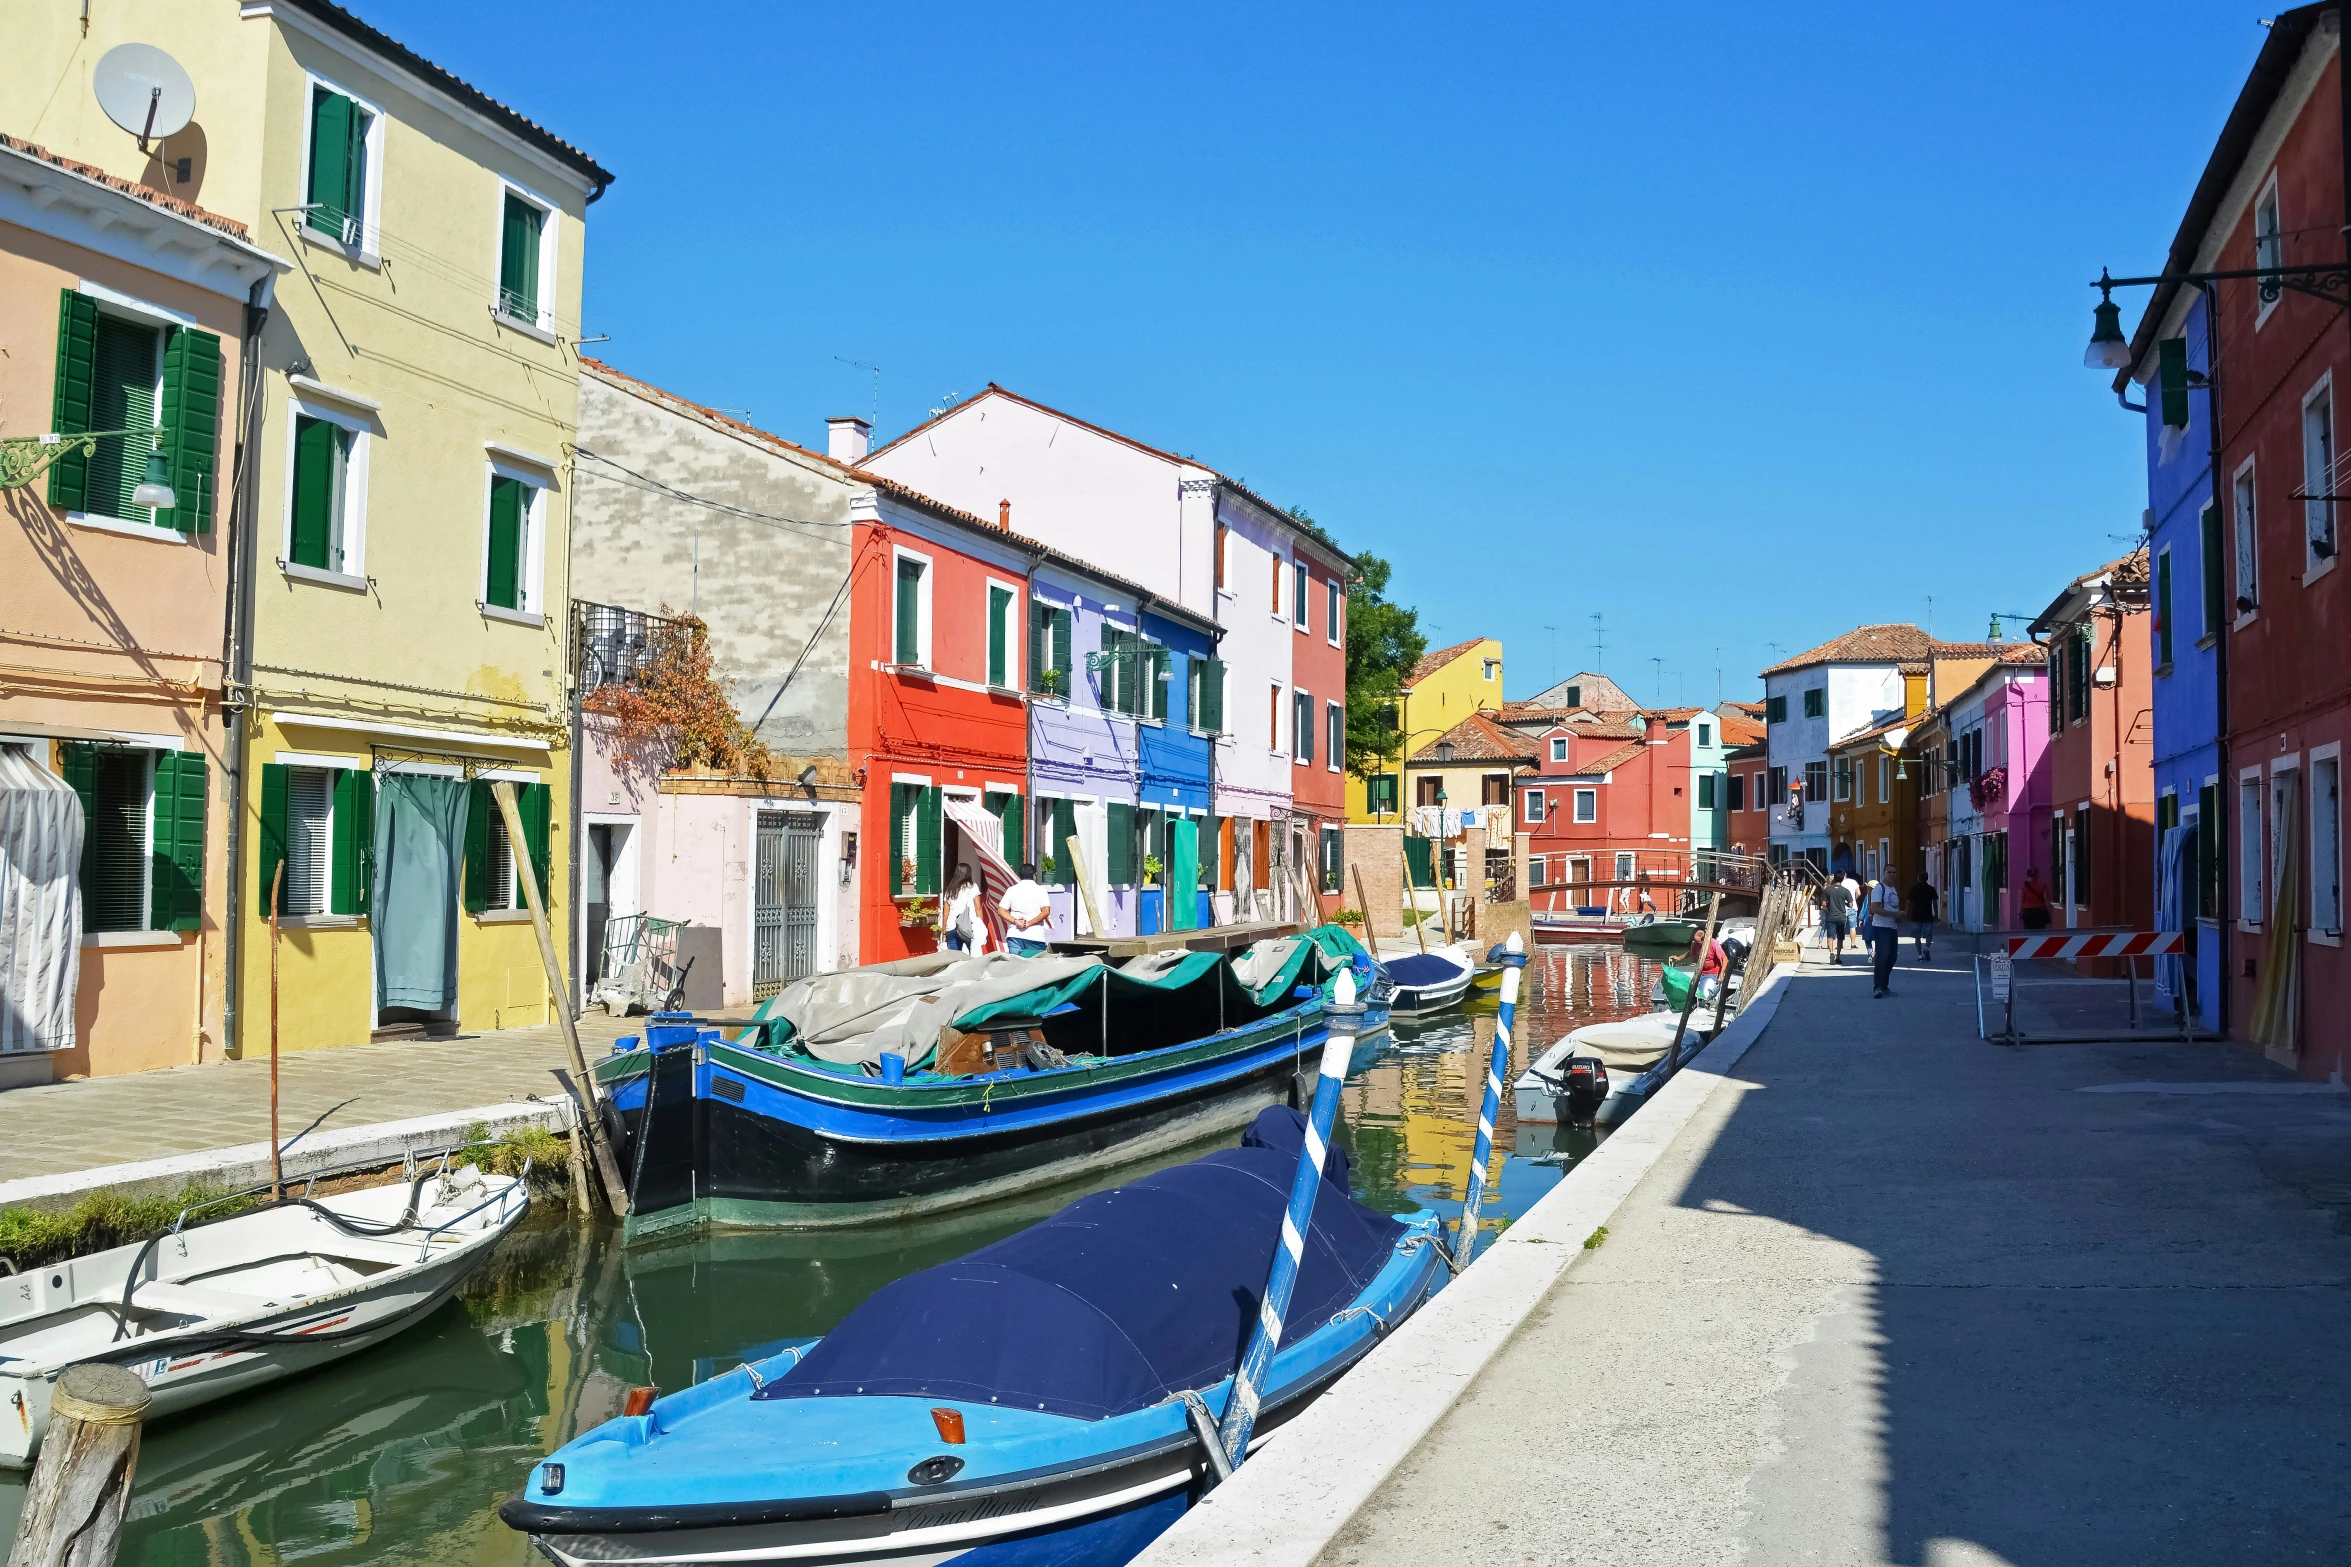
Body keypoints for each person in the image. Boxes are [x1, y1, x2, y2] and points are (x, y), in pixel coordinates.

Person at [998, 862, 1053, 957]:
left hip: (1015, 934)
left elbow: (1001, 910)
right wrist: (1029, 923)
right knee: (1035, 966)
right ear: (1034, 876)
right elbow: (1046, 912)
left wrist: (1016, 921)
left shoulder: (1011, 890)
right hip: (1035, 935)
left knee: (1015, 967)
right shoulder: (1041, 890)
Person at [1866, 874, 1903, 998]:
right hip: (1881, 927)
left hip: (1892, 927)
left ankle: (1884, 986)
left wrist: (1898, 917)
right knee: (1882, 957)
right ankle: (1878, 987)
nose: (1892, 875)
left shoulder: (1893, 889)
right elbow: (1874, 909)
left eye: (1894, 872)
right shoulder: (1879, 888)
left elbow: (1893, 907)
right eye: (1889, 872)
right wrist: (1894, 915)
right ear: (1884, 874)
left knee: (1892, 957)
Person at [943, 867, 985, 954]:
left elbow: (945, 913)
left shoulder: (950, 889)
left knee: (953, 959)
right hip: (968, 926)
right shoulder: (973, 887)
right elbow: (978, 907)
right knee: (973, 956)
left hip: (951, 926)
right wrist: (980, 926)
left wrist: (944, 931)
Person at [1821, 874, 1853, 963]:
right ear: (1842, 879)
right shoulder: (1845, 891)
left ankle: (1831, 952)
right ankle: (1838, 956)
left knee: (1830, 936)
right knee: (1840, 937)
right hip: (1841, 917)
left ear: (1834, 879)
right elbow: (1851, 905)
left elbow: (1823, 904)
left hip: (1830, 916)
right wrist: (1844, 903)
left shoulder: (1827, 890)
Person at [1907, 873, 1939, 961]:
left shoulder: (1914, 888)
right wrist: (1936, 914)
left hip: (1916, 915)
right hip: (1928, 915)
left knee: (1917, 936)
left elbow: (1909, 902)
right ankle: (1926, 948)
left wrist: (1907, 912)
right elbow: (1935, 903)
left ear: (1918, 877)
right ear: (1927, 878)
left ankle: (1920, 955)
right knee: (1928, 935)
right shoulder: (1931, 889)